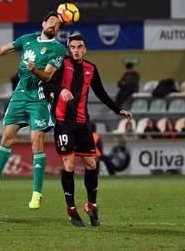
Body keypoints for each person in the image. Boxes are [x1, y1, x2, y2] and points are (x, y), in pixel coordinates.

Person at [0, 11, 66, 209]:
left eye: (58, 25)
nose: (54, 25)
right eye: (51, 21)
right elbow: (1, 50)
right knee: (6, 139)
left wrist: (34, 69)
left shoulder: (57, 49)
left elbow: (48, 77)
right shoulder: (26, 39)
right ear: (43, 23)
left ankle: (37, 194)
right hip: (20, 95)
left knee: (36, 142)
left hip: (39, 98)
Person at [44, 34, 133, 227]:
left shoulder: (90, 69)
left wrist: (118, 110)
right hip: (63, 122)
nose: (76, 50)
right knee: (69, 166)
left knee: (91, 165)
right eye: (72, 47)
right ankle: (71, 208)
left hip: (83, 123)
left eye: (79, 46)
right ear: (69, 49)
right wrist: (60, 91)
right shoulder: (61, 65)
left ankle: (91, 205)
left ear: (85, 49)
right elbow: (45, 83)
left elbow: (101, 92)